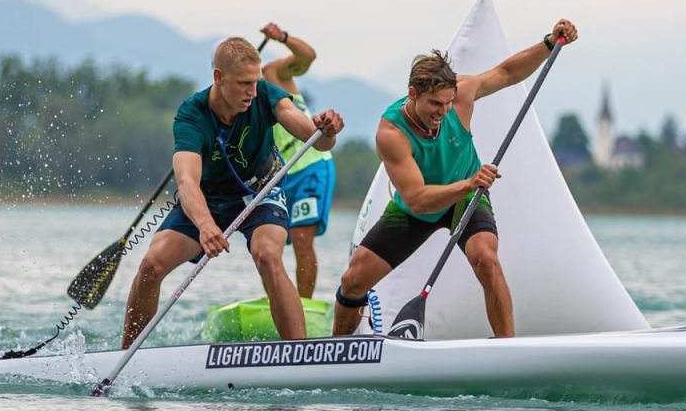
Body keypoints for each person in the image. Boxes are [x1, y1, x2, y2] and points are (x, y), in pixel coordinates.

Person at [332, 20, 580, 338]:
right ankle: (338, 349)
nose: (443, 111)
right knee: (353, 281)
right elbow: (418, 199)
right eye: (434, 104)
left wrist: (548, 43)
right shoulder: (391, 133)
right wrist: (469, 183)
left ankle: (508, 348)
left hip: (466, 200)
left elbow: (507, 73)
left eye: (448, 103)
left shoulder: (461, 94)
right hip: (418, 208)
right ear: (412, 94)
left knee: (486, 259)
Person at [123, 37, 344, 348]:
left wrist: (326, 130)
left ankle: (299, 354)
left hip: (261, 192)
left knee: (268, 256)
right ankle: (124, 358)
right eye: (243, 84)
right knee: (151, 265)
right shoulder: (191, 115)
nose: (252, 92)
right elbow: (186, 182)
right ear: (219, 77)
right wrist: (205, 225)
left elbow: (317, 141)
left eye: (255, 82)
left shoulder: (266, 94)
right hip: (207, 200)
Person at [258, 22, 337, 299]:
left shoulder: (273, 72)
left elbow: (307, 57)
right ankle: (278, 305)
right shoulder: (232, 99)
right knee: (266, 247)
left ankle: (304, 306)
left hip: (312, 165)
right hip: (280, 177)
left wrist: (284, 38)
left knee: (303, 240)